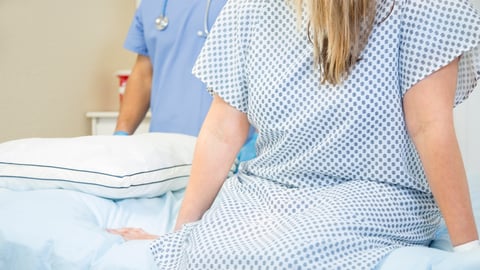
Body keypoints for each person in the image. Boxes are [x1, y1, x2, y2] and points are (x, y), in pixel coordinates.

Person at [109, 0, 480, 268]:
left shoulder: (426, 7)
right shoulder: (249, 9)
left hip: (378, 190)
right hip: (270, 188)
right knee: (209, 253)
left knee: (283, 255)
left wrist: (468, 250)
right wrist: (180, 236)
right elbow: (222, 130)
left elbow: (429, 125)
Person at [113, 0, 227, 137]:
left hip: (228, 142)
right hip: (164, 143)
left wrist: (256, 136)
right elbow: (144, 73)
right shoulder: (150, 4)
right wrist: (121, 133)